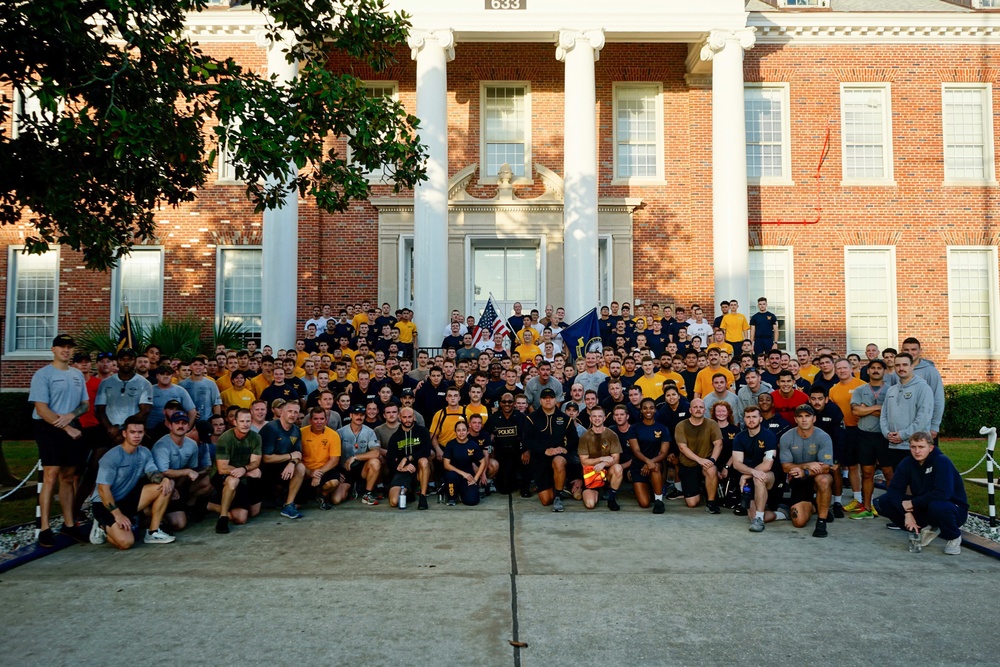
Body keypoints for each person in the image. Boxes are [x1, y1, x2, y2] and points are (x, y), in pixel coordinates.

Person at [30, 334, 91, 547]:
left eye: (69, 347)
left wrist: (71, 417)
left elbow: (84, 404)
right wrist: (65, 426)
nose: (66, 350)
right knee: (51, 475)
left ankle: (69, 524)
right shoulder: (42, 374)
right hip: (49, 428)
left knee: (68, 476)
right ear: (53, 349)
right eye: (62, 347)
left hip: (70, 425)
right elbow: (41, 408)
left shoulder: (76, 375)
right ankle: (45, 528)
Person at [872, 432, 968, 555]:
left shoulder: (942, 462)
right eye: (913, 447)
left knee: (937, 506)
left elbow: (942, 494)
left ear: (931, 448)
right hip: (924, 505)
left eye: (921, 447)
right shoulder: (907, 463)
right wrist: (907, 513)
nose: (917, 451)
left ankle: (953, 536)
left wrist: (912, 503)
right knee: (883, 502)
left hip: (952, 508)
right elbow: (894, 490)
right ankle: (920, 529)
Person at [89, 415, 176, 548]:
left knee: (165, 485)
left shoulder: (144, 452)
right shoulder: (112, 457)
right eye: (132, 432)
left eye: (140, 432)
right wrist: (117, 515)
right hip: (104, 504)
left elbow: (152, 473)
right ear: (124, 433)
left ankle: (153, 532)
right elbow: (103, 489)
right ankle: (102, 525)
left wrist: (164, 479)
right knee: (126, 542)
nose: (136, 436)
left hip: (126, 498)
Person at [151, 411, 212, 532]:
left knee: (207, 481)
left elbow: (193, 469)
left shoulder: (193, 445)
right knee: (178, 524)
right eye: (177, 423)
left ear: (189, 426)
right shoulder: (162, 445)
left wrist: (184, 478)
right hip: (162, 485)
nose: (180, 426)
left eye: (184, 423)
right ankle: (151, 517)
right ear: (170, 425)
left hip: (180, 484)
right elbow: (163, 472)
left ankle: (188, 506)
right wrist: (186, 473)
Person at [780, 405, 834, 538]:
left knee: (824, 479)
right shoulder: (786, 437)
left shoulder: (823, 437)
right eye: (800, 416)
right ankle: (816, 506)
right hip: (798, 479)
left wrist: (805, 472)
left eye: (807, 416)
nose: (804, 420)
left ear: (814, 419)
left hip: (816, 477)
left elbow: (826, 467)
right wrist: (807, 465)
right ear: (795, 419)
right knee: (799, 522)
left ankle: (821, 522)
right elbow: (785, 467)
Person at [524, 387, 579, 512]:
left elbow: (574, 439)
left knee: (558, 461)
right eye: (545, 398)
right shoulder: (531, 418)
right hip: (540, 459)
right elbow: (527, 440)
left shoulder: (565, 418)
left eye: (551, 398)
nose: (548, 401)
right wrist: (545, 450)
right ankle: (559, 487)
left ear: (556, 400)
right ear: (541, 400)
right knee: (545, 500)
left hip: (559, 456)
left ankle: (558, 496)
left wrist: (565, 449)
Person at [880, 352, 934, 478]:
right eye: (897, 365)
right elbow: (884, 415)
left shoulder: (923, 388)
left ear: (912, 366)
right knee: (899, 480)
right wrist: (887, 433)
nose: (901, 368)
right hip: (893, 445)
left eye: (905, 364)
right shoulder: (891, 390)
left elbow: (923, 418)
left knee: (916, 482)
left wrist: (903, 435)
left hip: (915, 446)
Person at [211, 408, 264, 533]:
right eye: (242, 421)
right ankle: (222, 518)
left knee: (254, 512)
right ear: (235, 422)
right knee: (240, 518)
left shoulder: (256, 437)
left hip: (244, 476)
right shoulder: (225, 438)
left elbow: (256, 462)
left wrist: (244, 469)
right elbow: (222, 468)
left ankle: (209, 505)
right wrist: (245, 471)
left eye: (248, 421)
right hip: (224, 476)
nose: (245, 424)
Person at [731, 406, 781, 532]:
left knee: (760, 478)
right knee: (751, 516)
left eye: (754, 417)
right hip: (752, 475)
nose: (751, 420)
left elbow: (767, 464)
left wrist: (747, 475)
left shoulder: (769, 436)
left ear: (760, 419)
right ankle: (782, 514)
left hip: (769, 476)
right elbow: (736, 463)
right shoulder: (739, 437)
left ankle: (759, 518)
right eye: (748, 417)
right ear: (744, 419)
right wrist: (752, 472)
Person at [95, 347, 153, 446]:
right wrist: (110, 429)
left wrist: (122, 429)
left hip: (133, 433)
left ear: (134, 361)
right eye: (122, 359)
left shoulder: (145, 383)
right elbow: (100, 410)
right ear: (117, 361)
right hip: (109, 432)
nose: (126, 362)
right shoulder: (105, 383)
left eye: (129, 359)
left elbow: (144, 412)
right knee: (99, 459)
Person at [259, 400, 306, 520]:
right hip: (265, 470)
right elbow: (266, 458)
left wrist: (292, 463)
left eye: (296, 412)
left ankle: (288, 505)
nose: (293, 414)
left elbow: (298, 453)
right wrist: (290, 457)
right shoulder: (271, 428)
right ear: (282, 413)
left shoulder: (296, 430)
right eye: (290, 411)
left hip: (284, 467)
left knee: (300, 467)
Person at [674, 398, 724, 512]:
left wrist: (712, 460)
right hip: (688, 465)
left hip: (706, 463)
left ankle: (711, 502)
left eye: (701, 407)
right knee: (692, 503)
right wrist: (699, 460)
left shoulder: (712, 424)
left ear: (704, 410)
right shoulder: (681, 425)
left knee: (711, 469)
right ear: (690, 410)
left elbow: (718, 444)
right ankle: (702, 489)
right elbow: (682, 447)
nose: (698, 409)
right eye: (695, 407)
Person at [577, 406, 625, 511]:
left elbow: (616, 459)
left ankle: (611, 498)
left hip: (607, 474)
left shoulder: (612, 435)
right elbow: (584, 462)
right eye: (594, 416)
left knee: (618, 468)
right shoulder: (585, 437)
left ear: (604, 418)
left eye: (600, 416)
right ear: (590, 418)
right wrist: (601, 459)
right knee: (590, 504)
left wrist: (603, 464)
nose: (597, 418)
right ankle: (596, 493)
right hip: (592, 475)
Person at [385, 407, 433, 509]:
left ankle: (422, 497)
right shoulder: (395, 437)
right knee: (394, 502)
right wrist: (402, 467)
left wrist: (407, 458)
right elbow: (389, 460)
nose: (407, 420)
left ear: (414, 417)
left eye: (410, 417)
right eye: (404, 417)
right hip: (403, 472)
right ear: (399, 418)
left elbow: (426, 451)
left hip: (419, 470)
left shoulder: (422, 431)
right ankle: (409, 492)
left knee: (424, 460)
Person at [628, 399, 669, 513]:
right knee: (644, 503)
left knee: (655, 467)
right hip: (638, 465)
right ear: (641, 410)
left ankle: (659, 502)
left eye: (651, 407)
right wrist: (647, 461)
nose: (648, 410)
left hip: (656, 463)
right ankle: (652, 489)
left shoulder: (662, 428)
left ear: (655, 410)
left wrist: (650, 463)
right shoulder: (634, 428)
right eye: (645, 408)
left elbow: (663, 453)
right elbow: (636, 450)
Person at [900, 338, 945, 441]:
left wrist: (934, 425)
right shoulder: (898, 371)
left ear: (920, 351)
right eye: (906, 350)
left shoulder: (930, 371)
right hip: (902, 427)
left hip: (926, 426)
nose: (910, 353)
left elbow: (938, 398)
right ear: (902, 351)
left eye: (913, 349)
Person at [337, 404, 382, 505]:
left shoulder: (369, 432)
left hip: (361, 468)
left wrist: (354, 457)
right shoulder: (340, 432)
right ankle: (353, 487)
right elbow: (332, 455)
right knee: (337, 499)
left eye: (362, 414)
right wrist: (336, 473)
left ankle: (367, 493)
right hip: (345, 469)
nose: (359, 417)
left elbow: (376, 452)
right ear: (351, 415)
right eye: (356, 414)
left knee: (375, 462)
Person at [299, 407, 342, 510]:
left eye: (322, 419)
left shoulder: (333, 435)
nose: (319, 422)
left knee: (333, 482)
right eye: (315, 419)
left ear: (326, 420)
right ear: (310, 420)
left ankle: (322, 495)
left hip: (325, 469)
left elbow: (334, 459)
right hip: (305, 471)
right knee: (299, 504)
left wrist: (318, 474)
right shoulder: (301, 433)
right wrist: (309, 472)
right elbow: (297, 456)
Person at [442, 421, 487, 506]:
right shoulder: (450, 444)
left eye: (463, 430)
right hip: (454, 475)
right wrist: (463, 473)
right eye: (458, 430)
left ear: (468, 431)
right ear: (455, 432)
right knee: (450, 475)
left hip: (468, 477)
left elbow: (483, 462)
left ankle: (462, 494)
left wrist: (475, 479)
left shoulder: (473, 445)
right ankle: (452, 497)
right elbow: (446, 465)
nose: (461, 433)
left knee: (472, 501)